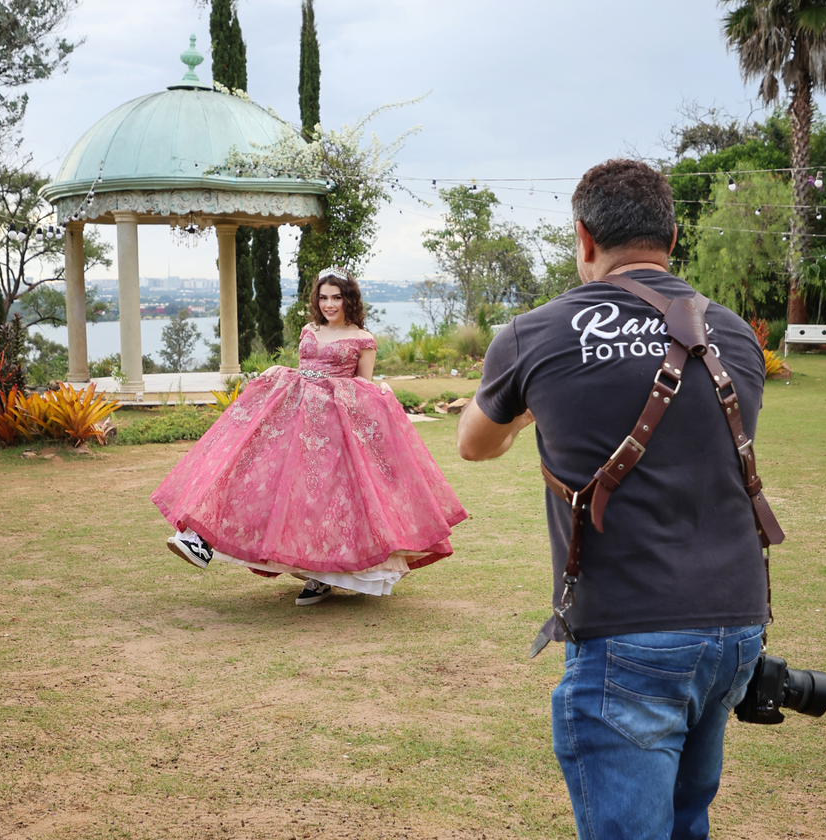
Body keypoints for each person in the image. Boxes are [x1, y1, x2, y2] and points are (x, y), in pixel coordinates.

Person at [457, 159, 777, 839]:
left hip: (628, 630)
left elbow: (474, 444)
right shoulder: (737, 335)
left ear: (583, 237)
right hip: (735, 626)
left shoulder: (535, 334)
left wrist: (533, 409)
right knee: (687, 821)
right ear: (674, 234)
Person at [152, 266, 467, 606]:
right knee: (247, 468)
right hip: (293, 415)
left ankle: (320, 578)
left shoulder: (363, 339)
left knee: (321, 500)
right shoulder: (309, 330)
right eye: (323, 297)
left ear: (349, 299)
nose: (329, 304)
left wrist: (382, 392)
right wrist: (281, 371)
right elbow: (304, 370)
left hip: (332, 427)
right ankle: (199, 539)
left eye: (336, 297)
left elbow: (361, 384)